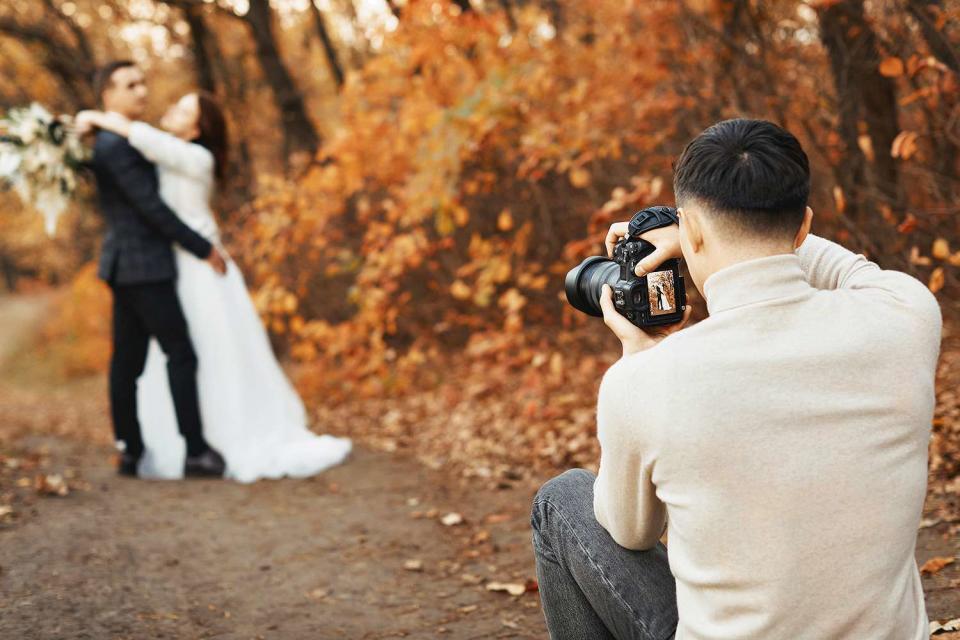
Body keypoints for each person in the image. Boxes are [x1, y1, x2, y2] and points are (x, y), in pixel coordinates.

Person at [531, 119, 941, 639]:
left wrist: (636, 358)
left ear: (692, 231)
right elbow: (850, 270)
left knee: (561, 500)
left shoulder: (644, 381)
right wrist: (707, 232)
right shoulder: (906, 315)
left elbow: (629, 533)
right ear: (804, 226)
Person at [76, 73, 352, 483]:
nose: (171, 110)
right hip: (170, 266)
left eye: (184, 111)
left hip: (199, 265)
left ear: (197, 128)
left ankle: (213, 437)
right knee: (178, 355)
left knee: (206, 351)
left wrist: (94, 117)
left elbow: (144, 141)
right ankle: (177, 443)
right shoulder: (164, 153)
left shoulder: (194, 157)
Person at [85, 60, 229, 478]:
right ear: (108, 95)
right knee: (179, 354)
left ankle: (131, 451)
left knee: (127, 362)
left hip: (127, 265)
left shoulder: (117, 140)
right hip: (144, 265)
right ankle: (196, 451)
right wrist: (202, 247)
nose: (143, 91)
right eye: (131, 85)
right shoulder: (115, 145)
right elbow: (152, 208)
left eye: (143, 82)